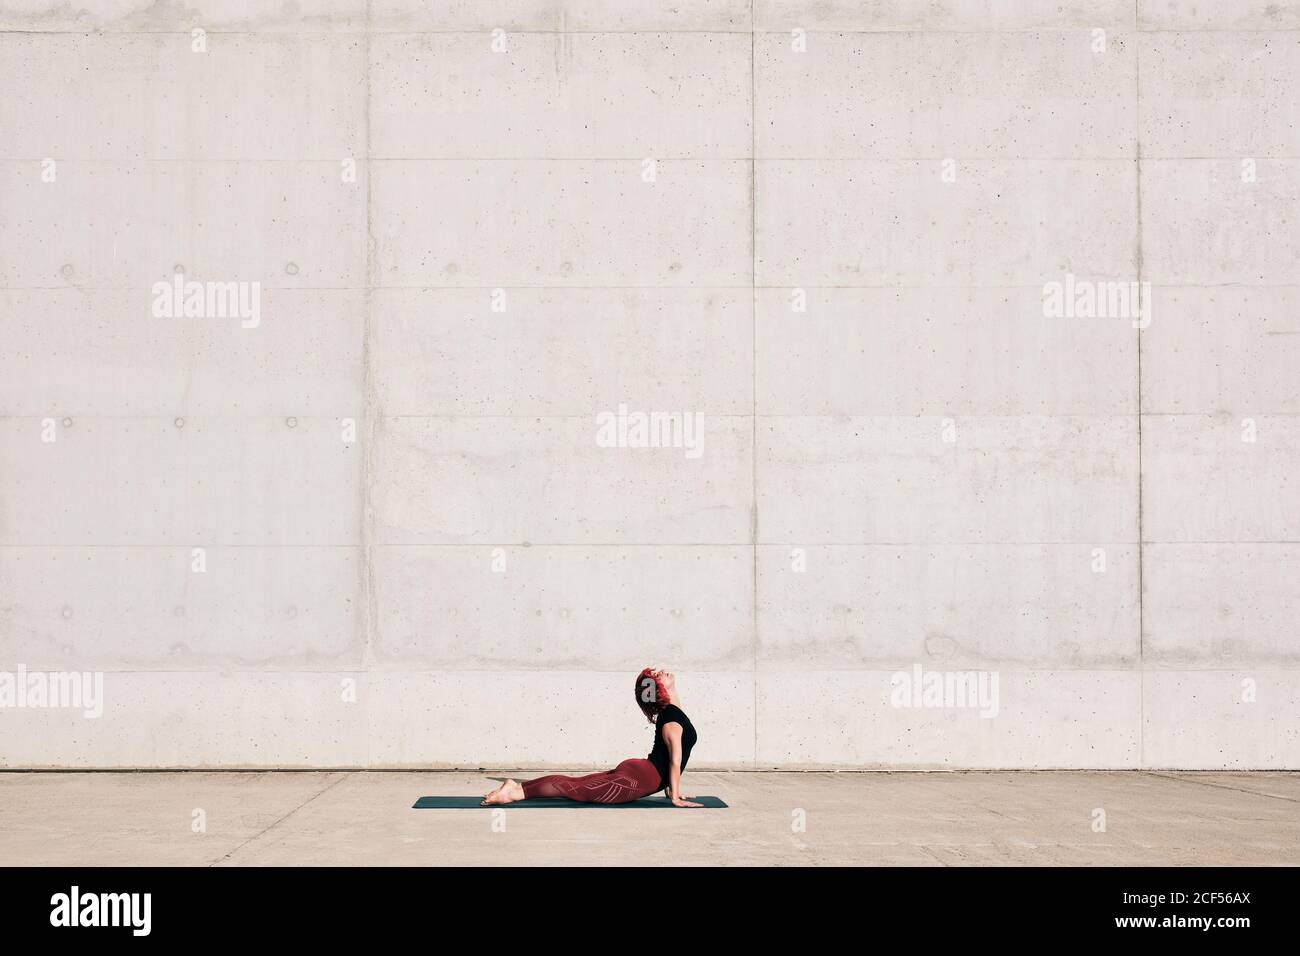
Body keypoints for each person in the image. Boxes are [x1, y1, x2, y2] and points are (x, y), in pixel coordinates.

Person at [481, 666, 702, 807]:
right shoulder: (672, 720)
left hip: (642, 772)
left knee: (577, 784)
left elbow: (670, 758)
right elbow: (673, 761)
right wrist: (674, 797)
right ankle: (514, 793)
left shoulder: (673, 712)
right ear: (660, 690)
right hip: (639, 779)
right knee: (575, 788)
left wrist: (672, 789)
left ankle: (514, 787)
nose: (662, 671)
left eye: (658, 673)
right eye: (657, 676)